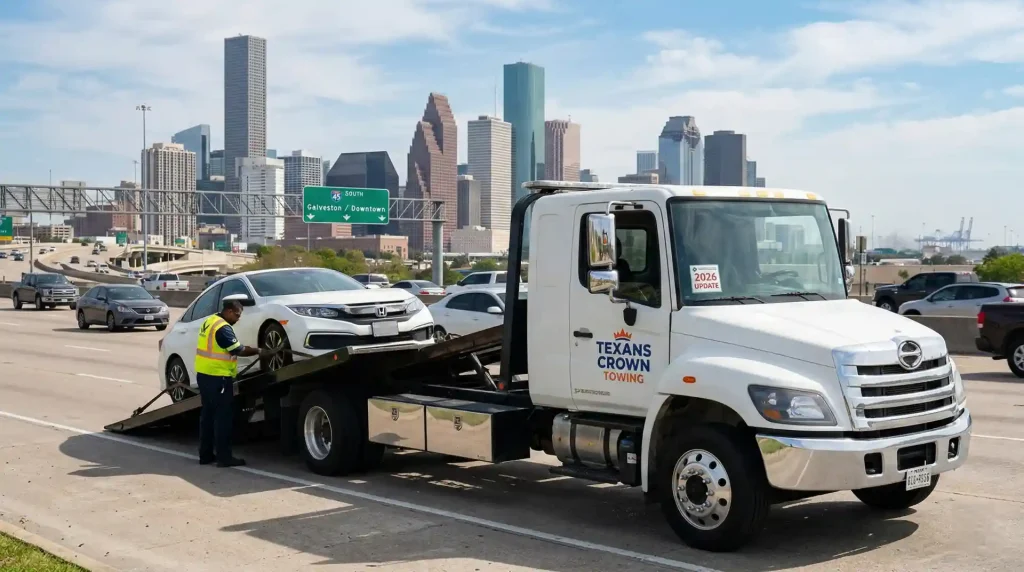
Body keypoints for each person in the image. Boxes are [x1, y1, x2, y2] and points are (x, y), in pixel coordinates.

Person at [195, 299, 273, 468]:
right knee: (223, 419)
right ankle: (224, 458)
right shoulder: (222, 328)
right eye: (237, 315)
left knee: (207, 417)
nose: (238, 319)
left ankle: (206, 455)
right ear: (229, 311)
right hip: (218, 378)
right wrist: (259, 350)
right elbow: (238, 349)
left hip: (204, 375)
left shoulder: (210, 321)